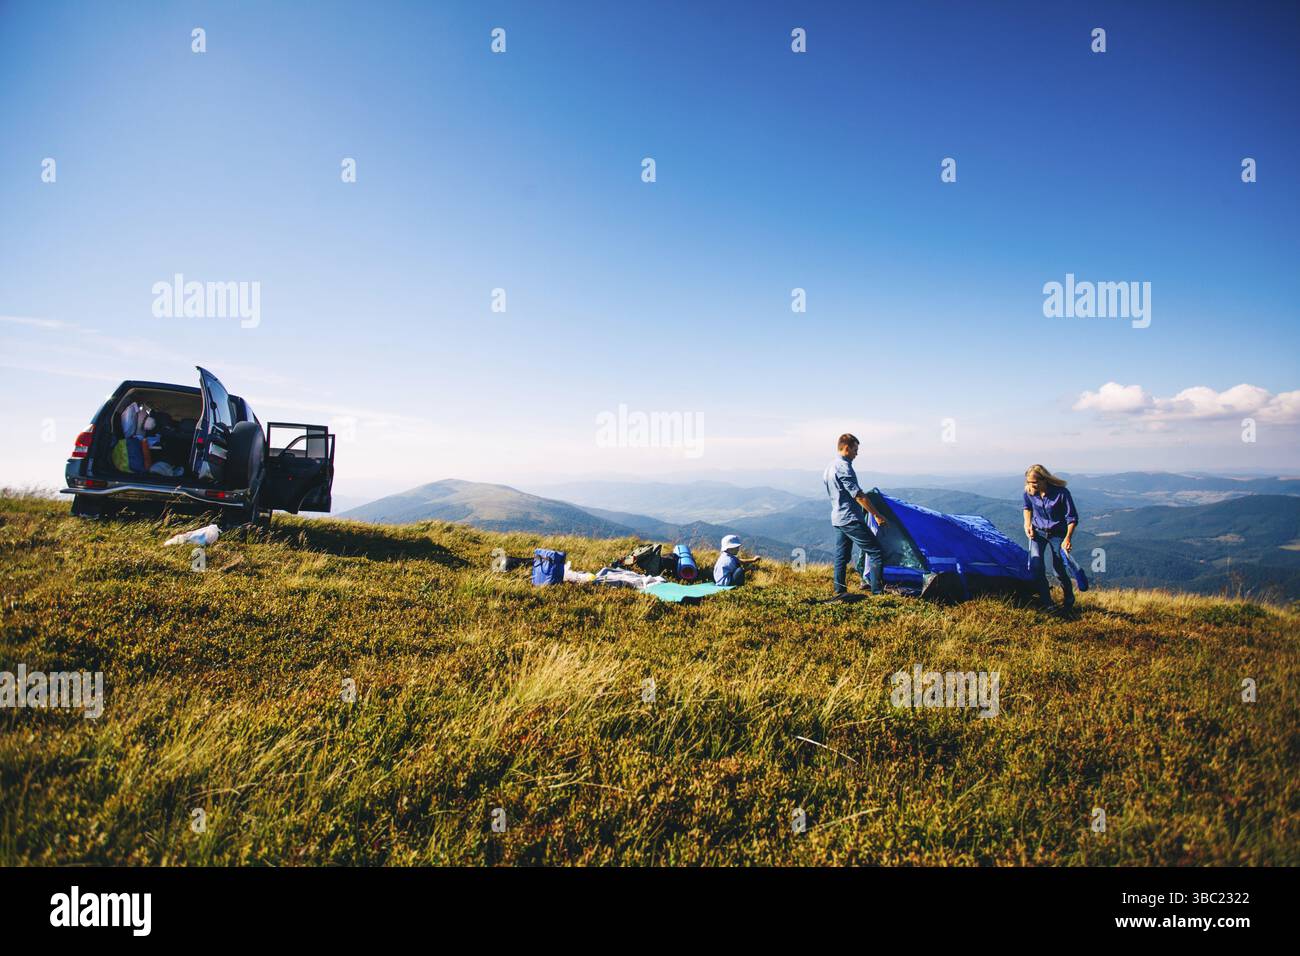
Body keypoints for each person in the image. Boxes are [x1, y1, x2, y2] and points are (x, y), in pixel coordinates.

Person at [823, 433, 888, 597]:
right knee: (876, 552)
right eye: (855, 450)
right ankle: (877, 593)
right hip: (850, 518)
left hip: (837, 518)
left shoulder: (829, 467)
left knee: (841, 557)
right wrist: (877, 515)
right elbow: (858, 495)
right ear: (846, 448)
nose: (856, 454)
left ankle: (840, 591)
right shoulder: (844, 466)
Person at [1022, 464, 1079, 615]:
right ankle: (1047, 603)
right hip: (1037, 532)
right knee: (1036, 566)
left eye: (1034, 482)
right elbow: (1027, 508)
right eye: (1028, 482)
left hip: (1058, 534)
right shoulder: (1029, 492)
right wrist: (1027, 524)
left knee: (1058, 570)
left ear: (1044, 479)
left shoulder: (1061, 493)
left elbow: (1072, 518)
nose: (1031, 485)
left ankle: (1068, 601)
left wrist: (1067, 538)